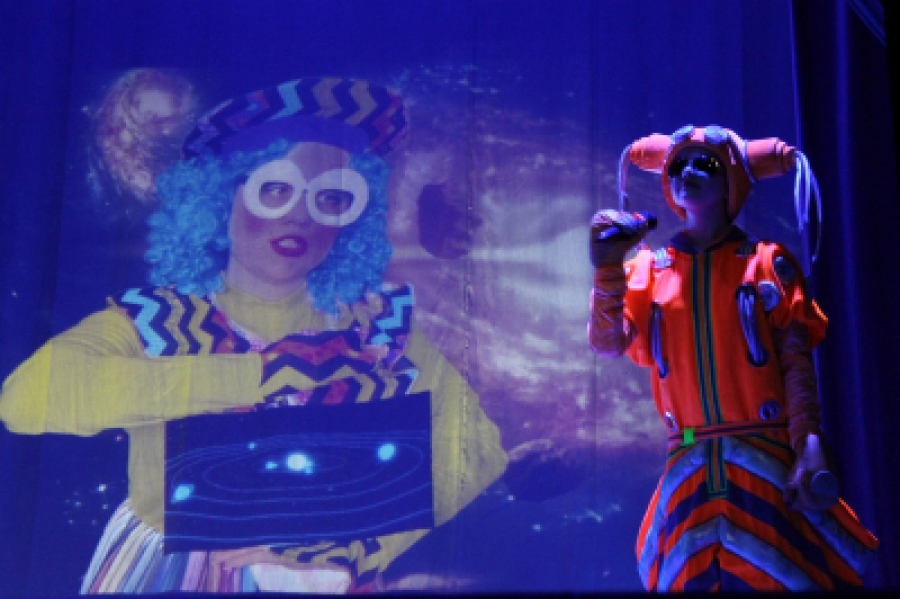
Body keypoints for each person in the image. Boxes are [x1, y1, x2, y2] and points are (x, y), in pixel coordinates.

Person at [0, 77, 507, 594]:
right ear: (220, 200)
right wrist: (262, 374)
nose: (300, 216)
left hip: (323, 578)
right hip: (173, 577)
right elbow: (25, 399)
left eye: (331, 198)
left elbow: (475, 444)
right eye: (275, 189)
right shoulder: (161, 319)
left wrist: (354, 553)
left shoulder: (373, 324)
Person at [587, 124, 877, 591]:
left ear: (732, 184)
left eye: (705, 164)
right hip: (689, 463)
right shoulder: (648, 270)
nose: (689, 173)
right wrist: (606, 269)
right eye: (678, 166)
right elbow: (607, 342)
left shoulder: (766, 263)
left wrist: (808, 442)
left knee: (782, 576)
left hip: (764, 459)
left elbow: (796, 364)